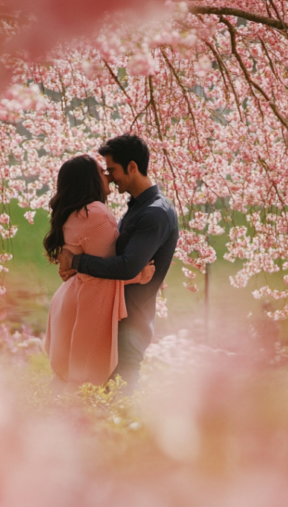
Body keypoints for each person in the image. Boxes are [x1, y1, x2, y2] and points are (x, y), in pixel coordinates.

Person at [58, 135, 179, 389]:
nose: (110, 177)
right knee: (98, 395)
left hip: (130, 321)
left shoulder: (155, 213)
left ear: (132, 167)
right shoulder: (136, 209)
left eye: (112, 170)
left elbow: (127, 267)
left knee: (120, 395)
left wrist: (75, 260)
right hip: (112, 315)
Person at [43, 155, 155, 388]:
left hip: (71, 298)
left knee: (70, 378)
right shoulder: (95, 213)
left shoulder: (75, 211)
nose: (108, 175)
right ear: (89, 179)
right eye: (101, 171)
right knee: (87, 380)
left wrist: (73, 262)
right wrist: (140, 274)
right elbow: (108, 268)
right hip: (89, 301)